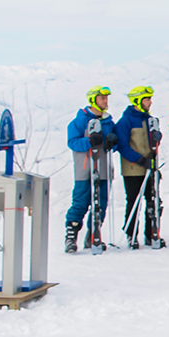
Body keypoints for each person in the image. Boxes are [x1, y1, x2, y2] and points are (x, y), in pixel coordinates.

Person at [64, 85, 116, 254]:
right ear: (93, 100)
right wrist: (88, 142)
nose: (105, 101)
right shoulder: (80, 121)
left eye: (106, 98)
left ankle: (93, 235)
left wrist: (112, 142)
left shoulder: (108, 122)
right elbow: (72, 142)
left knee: (101, 204)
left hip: (103, 169)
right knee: (80, 203)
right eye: (102, 98)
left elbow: (114, 144)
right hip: (84, 170)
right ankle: (71, 237)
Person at [115, 85, 165, 249]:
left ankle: (151, 234)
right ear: (138, 101)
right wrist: (140, 159)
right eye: (147, 99)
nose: (150, 102)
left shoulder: (149, 120)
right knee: (134, 202)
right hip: (133, 169)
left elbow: (152, 145)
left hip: (149, 167)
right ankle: (131, 235)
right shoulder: (126, 121)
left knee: (153, 201)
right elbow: (122, 146)